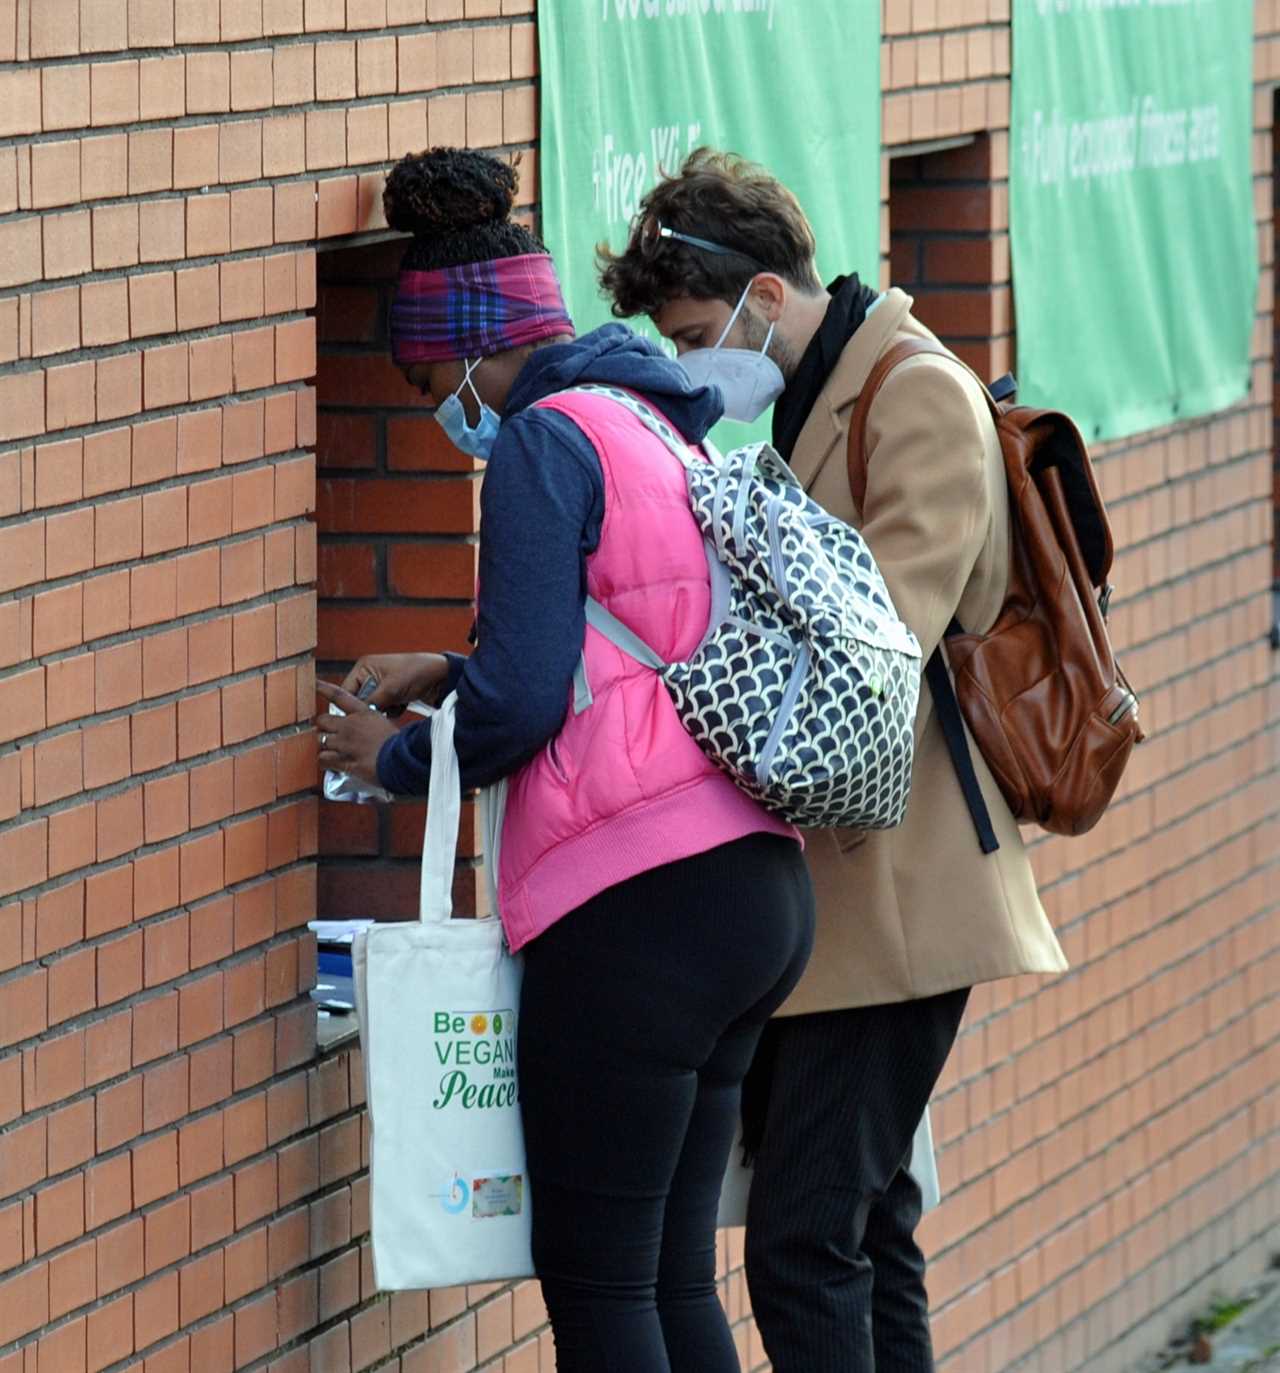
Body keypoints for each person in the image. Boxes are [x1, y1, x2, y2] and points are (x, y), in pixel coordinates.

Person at [314, 147, 814, 1373]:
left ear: (485, 348)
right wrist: (456, 657)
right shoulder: (652, 418)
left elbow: (530, 699)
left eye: (438, 379)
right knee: (666, 1277)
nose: (447, 413)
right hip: (752, 889)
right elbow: (622, 628)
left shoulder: (541, 435)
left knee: (597, 1290)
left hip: (636, 913)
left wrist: (397, 757)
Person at [598, 148, 1069, 1373]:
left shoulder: (910, 391)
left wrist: (689, 670)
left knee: (802, 1241)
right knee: (866, 1225)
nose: (698, 361)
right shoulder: (824, 389)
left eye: (701, 329)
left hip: (902, 889)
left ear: (764, 293)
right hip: (841, 896)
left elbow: (876, 641)